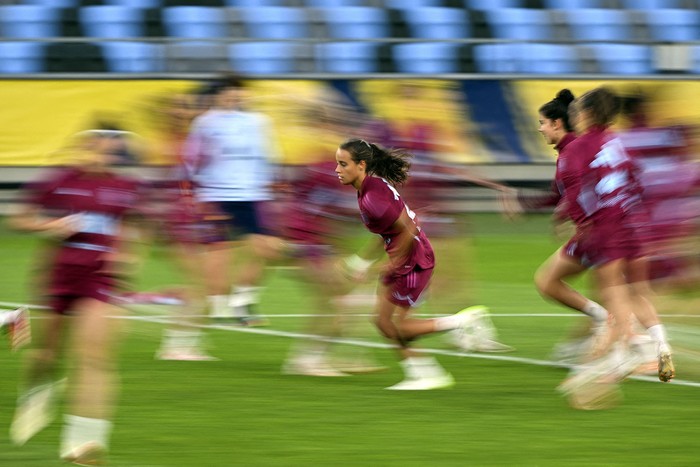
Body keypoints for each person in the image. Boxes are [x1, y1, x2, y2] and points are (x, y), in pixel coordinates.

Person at [7, 129, 141, 465]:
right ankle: (37, 391)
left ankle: (83, 444)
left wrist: (126, 254)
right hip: (58, 275)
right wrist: (47, 226)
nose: (101, 156)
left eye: (110, 152)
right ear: (81, 149)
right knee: (48, 355)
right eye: (95, 149)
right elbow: (18, 219)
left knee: (95, 356)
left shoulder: (126, 188)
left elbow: (134, 226)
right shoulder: (57, 181)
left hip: (99, 279)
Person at [334, 138, 508, 390]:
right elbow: (390, 229)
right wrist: (363, 261)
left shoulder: (372, 197)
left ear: (361, 165)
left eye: (342, 164)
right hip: (407, 254)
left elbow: (409, 228)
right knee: (383, 322)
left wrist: (389, 266)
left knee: (400, 326)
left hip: (412, 260)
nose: (337, 170)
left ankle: (462, 323)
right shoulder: (371, 188)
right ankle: (424, 373)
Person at [546, 87, 674, 404]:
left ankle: (617, 357)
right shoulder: (617, 142)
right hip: (635, 220)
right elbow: (635, 176)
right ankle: (660, 344)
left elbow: (575, 191)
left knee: (613, 294)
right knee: (638, 291)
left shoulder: (579, 147)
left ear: (587, 114)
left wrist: (573, 219)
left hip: (607, 225)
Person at [501, 90, 610, 362]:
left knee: (549, 281)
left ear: (556, 124)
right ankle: (590, 343)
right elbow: (558, 194)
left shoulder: (573, 150)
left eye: (542, 123)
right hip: (598, 231)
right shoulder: (568, 151)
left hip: (597, 231)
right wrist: (521, 202)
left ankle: (629, 342)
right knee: (603, 295)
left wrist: (562, 217)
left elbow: (576, 188)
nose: (540, 129)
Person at [183, 74, 282, 325]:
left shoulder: (259, 121)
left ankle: (241, 300)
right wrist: (195, 191)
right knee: (220, 252)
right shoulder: (205, 123)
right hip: (217, 194)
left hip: (253, 194)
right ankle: (218, 307)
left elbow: (267, 155)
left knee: (266, 249)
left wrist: (272, 182)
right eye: (228, 91)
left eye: (239, 90)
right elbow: (191, 159)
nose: (235, 95)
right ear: (218, 95)